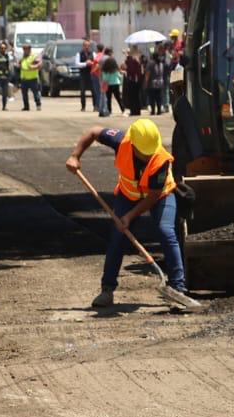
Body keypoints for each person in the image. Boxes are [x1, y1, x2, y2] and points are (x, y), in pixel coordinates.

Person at [64, 117, 188, 308]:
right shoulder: (122, 142)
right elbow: (93, 132)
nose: (148, 156)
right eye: (144, 153)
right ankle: (107, 290)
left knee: (166, 231)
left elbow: (153, 196)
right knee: (117, 237)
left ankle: (178, 289)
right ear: (134, 145)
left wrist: (129, 217)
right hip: (127, 196)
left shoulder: (160, 160)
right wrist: (75, 156)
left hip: (160, 196)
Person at [17, 44, 43, 111]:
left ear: (29, 49)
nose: (25, 50)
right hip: (24, 78)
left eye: (26, 49)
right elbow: (19, 64)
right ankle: (26, 106)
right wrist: (18, 65)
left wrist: (33, 67)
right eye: (24, 49)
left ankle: (38, 105)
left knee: (35, 93)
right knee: (24, 94)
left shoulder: (34, 56)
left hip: (33, 78)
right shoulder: (23, 57)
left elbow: (40, 64)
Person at [123, 48, 145, 117]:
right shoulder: (137, 61)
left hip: (132, 81)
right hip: (137, 81)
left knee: (132, 97)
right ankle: (137, 111)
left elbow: (131, 71)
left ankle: (133, 111)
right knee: (136, 97)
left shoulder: (131, 61)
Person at [147, 45, 168, 114]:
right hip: (160, 82)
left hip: (152, 83)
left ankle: (153, 111)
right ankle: (159, 110)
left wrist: (146, 82)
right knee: (159, 97)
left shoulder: (151, 63)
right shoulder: (161, 63)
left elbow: (148, 73)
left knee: (152, 97)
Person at [100, 49, 122, 116]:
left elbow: (104, 78)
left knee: (108, 98)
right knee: (118, 97)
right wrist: (120, 82)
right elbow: (119, 76)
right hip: (116, 84)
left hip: (108, 85)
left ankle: (109, 110)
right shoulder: (115, 70)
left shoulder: (105, 71)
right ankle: (122, 109)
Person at [77, 39, 97, 112]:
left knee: (94, 91)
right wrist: (85, 64)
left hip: (91, 74)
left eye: (88, 45)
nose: (87, 47)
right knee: (82, 91)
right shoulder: (79, 54)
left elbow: (96, 63)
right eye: (85, 45)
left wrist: (91, 63)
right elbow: (77, 64)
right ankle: (83, 107)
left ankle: (95, 106)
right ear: (83, 46)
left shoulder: (93, 53)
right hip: (83, 75)